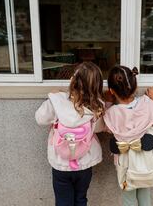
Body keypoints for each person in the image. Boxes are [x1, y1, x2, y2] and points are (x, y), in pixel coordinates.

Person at [35, 62, 106, 206]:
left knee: (63, 201)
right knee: (81, 199)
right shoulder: (97, 105)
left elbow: (40, 119)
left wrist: (52, 97)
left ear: (72, 81)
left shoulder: (56, 101)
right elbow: (99, 128)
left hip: (61, 164)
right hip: (84, 163)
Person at [103, 66, 153, 206]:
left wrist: (108, 104)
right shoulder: (147, 104)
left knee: (128, 197)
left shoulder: (111, 113)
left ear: (111, 91)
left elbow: (107, 128)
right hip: (147, 160)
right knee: (145, 193)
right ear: (135, 85)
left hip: (125, 163)